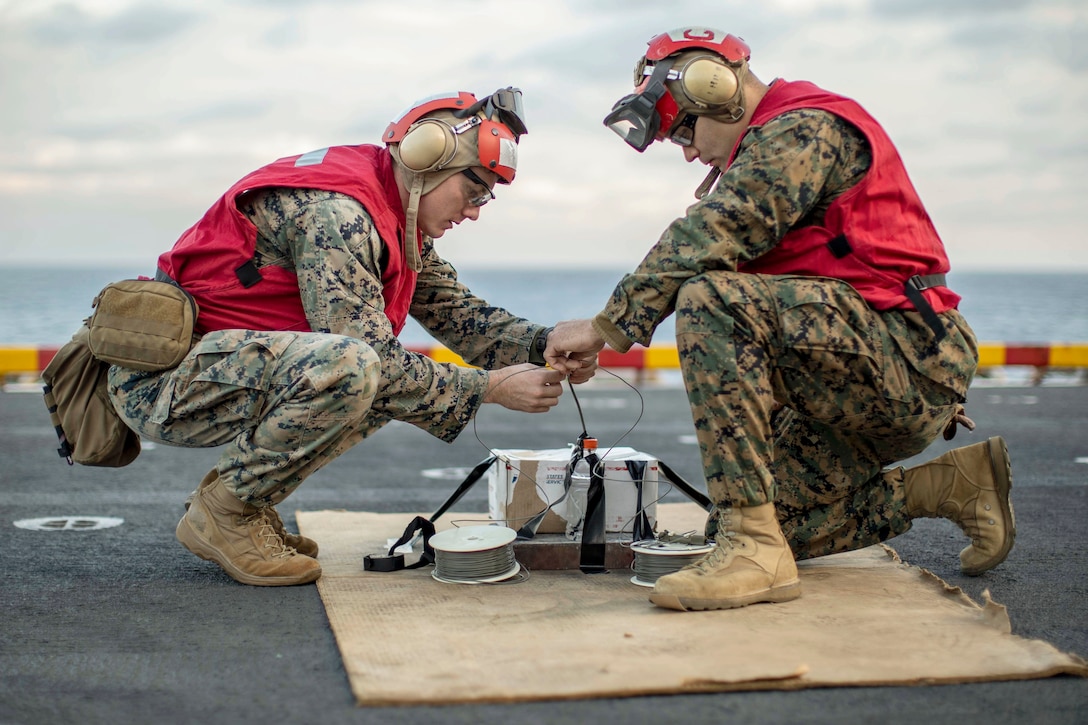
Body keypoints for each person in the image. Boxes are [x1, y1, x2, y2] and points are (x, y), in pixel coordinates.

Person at [544, 28, 1015, 612]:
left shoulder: (803, 126)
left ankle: (753, 550)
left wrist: (604, 328)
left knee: (709, 298)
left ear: (717, 90)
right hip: (854, 371)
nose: (688, 152)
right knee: (758, 520)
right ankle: (948, 488)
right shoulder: (772, 145)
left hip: (909, 358)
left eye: (685, 131)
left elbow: (717, 232)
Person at [108, 87, 595, 587]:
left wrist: (546, 341)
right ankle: (226, 511)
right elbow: (375, 364)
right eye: (474, 193)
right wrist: (488, 388)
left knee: (376, 379)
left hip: (215, 369)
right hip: (164, 384)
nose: (474, 212)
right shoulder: (337, 215)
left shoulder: (392, 212)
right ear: (427, 159)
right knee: (355, 370)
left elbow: (457, 314)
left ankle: (242, 501)